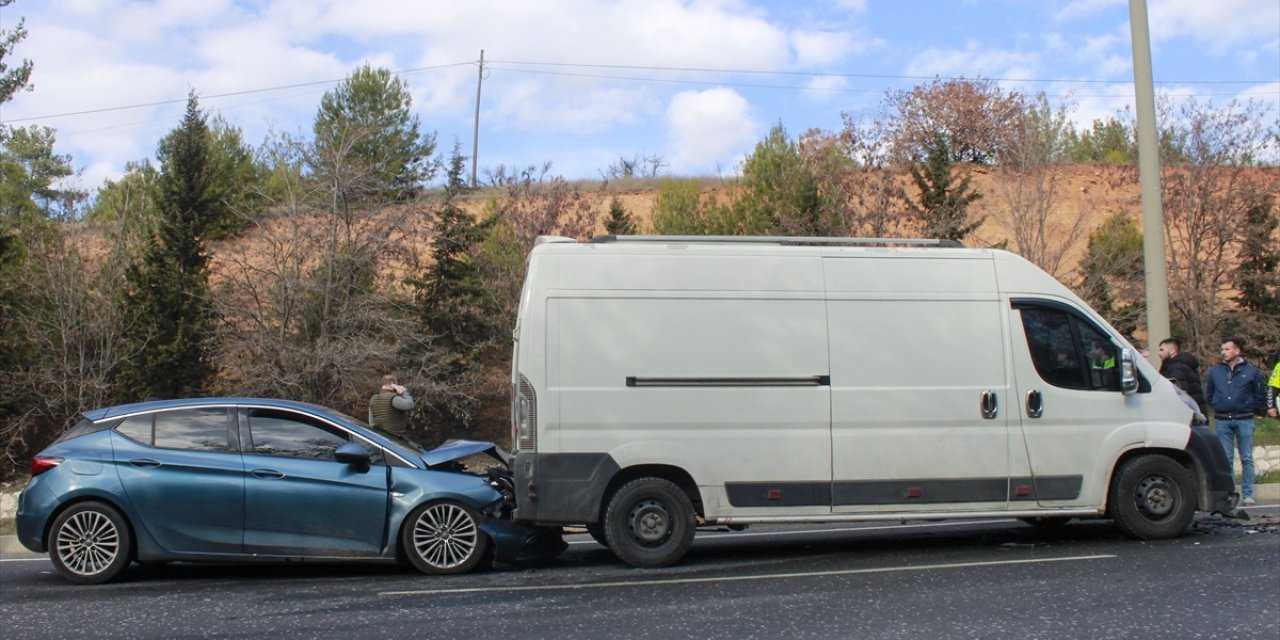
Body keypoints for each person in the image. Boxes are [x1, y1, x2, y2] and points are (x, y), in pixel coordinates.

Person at [1203, 338, 1267, 507]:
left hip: (1244, 419)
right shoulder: (1215, 371)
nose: (1223, 352)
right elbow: (1208, 393)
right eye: (1222, 349)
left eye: (1227, 349)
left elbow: (1259, 393)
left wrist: (1252, 407)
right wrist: (1216, 405)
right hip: (1222, 419)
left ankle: (1248, 494)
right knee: (1226, 458)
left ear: (1237, 351)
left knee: (1246, 457)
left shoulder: (1251, 371)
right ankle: (1230, 494)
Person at [1158, 338, 1206, 416]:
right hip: (1195, 413)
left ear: (1172, 351)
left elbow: (1181, 393)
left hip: (1188, 416)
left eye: (1162, 350)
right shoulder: (1182, 365)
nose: (1159, 353)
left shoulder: (1176, 368)